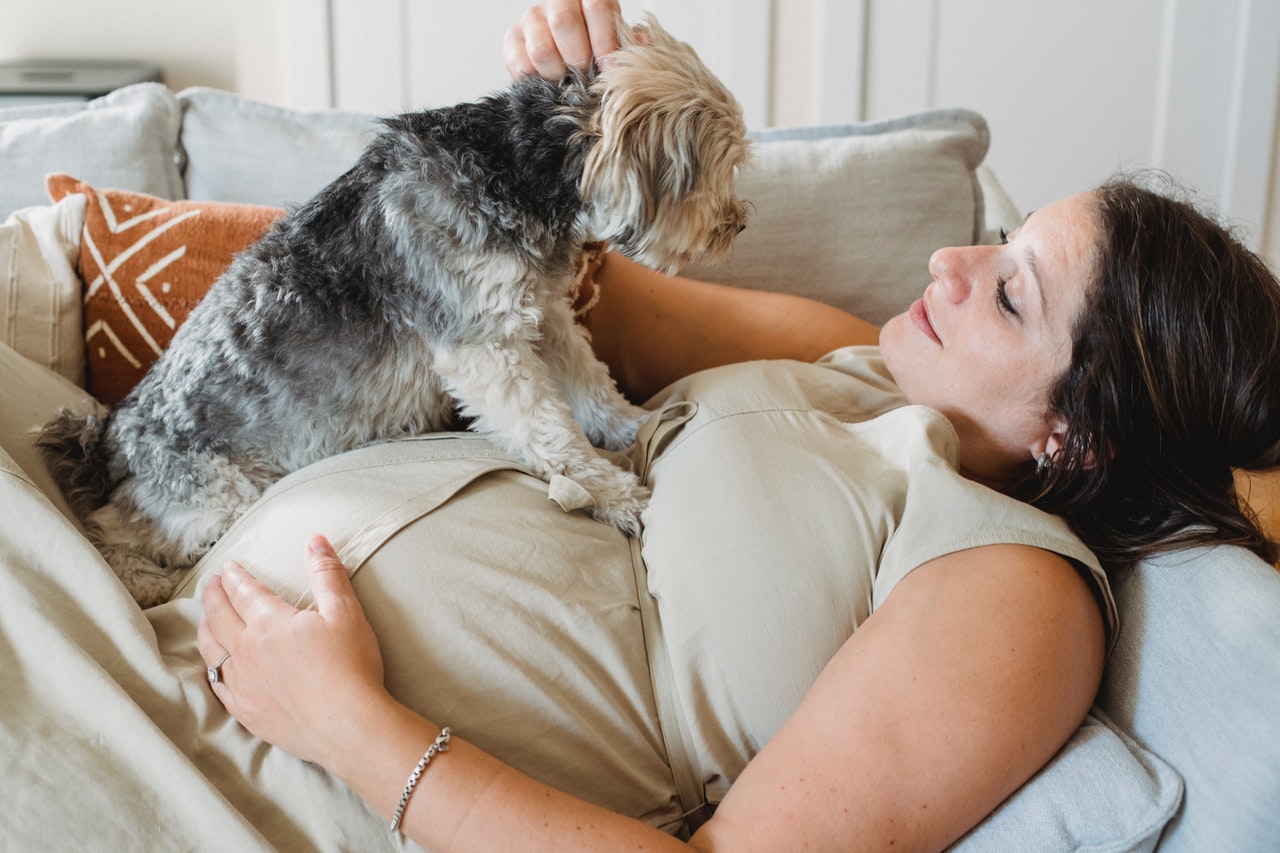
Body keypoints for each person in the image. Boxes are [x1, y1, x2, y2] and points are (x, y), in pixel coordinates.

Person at [196, 2, 1280, 849]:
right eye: (997, 240)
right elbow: (582, 293)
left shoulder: (1018, 597)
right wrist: (564, 114)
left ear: (1078, 436)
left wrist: (347, 723)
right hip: (211, 614)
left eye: (1008, 293)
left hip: (303, 772)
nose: (951, 262)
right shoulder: (847, 353)